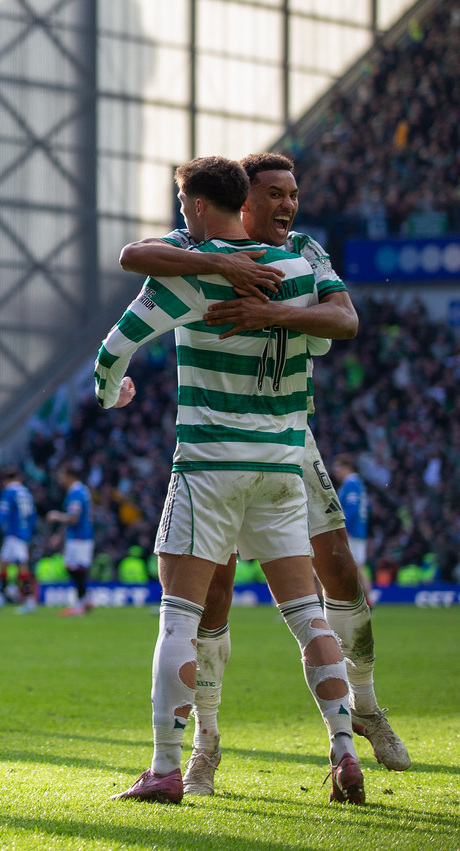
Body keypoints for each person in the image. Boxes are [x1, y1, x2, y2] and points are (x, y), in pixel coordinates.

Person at [118, 152, 408, 794]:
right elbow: (137, 253)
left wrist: (268, 313)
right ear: (241, 202)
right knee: (215, 595)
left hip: (288, 440)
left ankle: (366, 707)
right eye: (275, 195)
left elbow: (346, 321)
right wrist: (219, 261)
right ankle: (206, 745)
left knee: (339, 568)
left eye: (293, 195)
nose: (288, 207)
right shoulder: (194, 242)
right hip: (237, 443)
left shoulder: (306, 249)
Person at [0, 466, 37, 612]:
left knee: (21, 566)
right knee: (3, 563)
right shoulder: (26, 492)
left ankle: (29, 600)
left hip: (14, 534)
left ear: (6, 480)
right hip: (22, 533)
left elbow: (1, 517)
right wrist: (29, 532)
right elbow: (33, 515)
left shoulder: (9, 492)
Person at [46, 463, 94, 616]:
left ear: (69, 476)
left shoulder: (76, 493)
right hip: (79, 536)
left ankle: (81, 603)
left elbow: (73, 519)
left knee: (77, 568)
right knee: (72, 567)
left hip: (79, 537)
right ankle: (85, 599)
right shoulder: (81, 490)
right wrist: (59, 536)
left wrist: (56, 516)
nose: (59, 479)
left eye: (61, 475)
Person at [332, 454, 371, 595]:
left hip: (352, 532)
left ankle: (367, 601)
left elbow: (352, 509)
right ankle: (365, 601)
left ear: (347, 467)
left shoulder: (351, 484)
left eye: (338, 469)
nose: (336, 473)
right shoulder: (358, 484)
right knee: (356, 567)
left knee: (357, 568)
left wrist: (343, 528)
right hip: (358, 531)